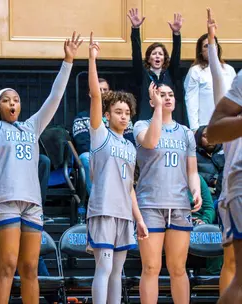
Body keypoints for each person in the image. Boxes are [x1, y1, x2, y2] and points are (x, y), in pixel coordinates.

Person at [0, 29, 81, 303]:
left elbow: (54, 98)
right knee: (7, 267)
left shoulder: (31, 127)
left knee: (31, 269)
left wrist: (68, 62)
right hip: (5, 201)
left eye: (17, 99)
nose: (13, 103)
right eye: (7, 100)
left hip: (32, 204)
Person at [86, 34, 148, 303]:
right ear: (108, 114)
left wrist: (140, 218)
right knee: (105, 267)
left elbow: (130, 188)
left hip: (124, 213)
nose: (123, 115)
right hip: (103, 209)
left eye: (127, 112)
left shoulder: (131, 147)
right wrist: (92, 59)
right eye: (118, 111)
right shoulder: (100, 134)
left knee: (118, 272)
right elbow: (96, 95)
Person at [133, 82, 202, 303]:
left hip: (180, 204)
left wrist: (196, 190)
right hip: (150, 203)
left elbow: (192, 170)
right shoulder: (141, 125)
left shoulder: (186, 133)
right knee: (151, 267)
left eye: (171, 94)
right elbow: (151, 142)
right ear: (152, 100)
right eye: (161, 95)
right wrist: (157, 111)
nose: (168, 98)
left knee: (178, 268)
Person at [206, 8, 242, 303]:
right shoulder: (228, 112)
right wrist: (212, 44)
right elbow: (218, 78)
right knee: (235, 268)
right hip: (236, 185)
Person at [128, 8, 187, 124]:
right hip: (147, 121)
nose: (157, 56)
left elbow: (176, 56)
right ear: (149, 59)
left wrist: (176, 34)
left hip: (167, 121)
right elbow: (136, 54)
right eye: (154, 54)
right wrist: (135, 29)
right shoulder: (142, 74)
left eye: (160, 54)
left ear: (164, 59)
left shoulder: (170, 74)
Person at [184, 30, 236, 131]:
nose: (210, 48)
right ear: (200, 51)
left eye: (213, 45)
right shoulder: (195, 70)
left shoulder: (229, 69)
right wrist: (195, 129)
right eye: (206, 46)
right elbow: (191, 102)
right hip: (205, 126)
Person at [194, 125, 224, 200]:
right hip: (205, 196)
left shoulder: (224, 152)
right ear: (198, 138)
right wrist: (212, 180)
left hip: (225, 193)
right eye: (205, 136)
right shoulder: (193, 155)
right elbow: (192, 174)